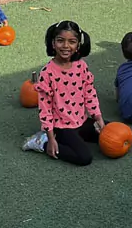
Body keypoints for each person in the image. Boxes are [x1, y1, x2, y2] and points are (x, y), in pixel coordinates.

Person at [22, 21, 105, 166]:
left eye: (72, 42)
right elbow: (45, 108)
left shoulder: (81, 65)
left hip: (81, 121)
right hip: (61, 127)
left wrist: (98, 117)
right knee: (84, 158)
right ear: (53, 43)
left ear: (78, 45)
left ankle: (77, 138)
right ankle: (42, 142)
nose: (66, 46)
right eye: (60, 41)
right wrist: (51, 137)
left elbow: (89, 93)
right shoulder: (47, 73)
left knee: (110, 131)